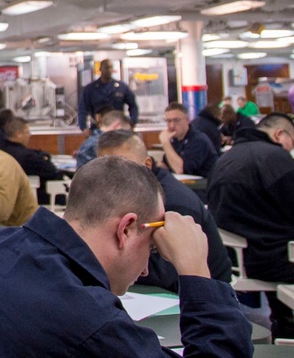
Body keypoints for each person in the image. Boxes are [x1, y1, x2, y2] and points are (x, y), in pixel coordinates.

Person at [0, 157, 253, 357]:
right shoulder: (91, 323)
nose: (144, 271)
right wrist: (196, 270)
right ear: (126, 229)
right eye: (151, 248)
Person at [96, 130, 231, 292]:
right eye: (107, 171)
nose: (114, 179)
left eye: (124, 169)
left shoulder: (174, 205)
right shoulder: (132, 193)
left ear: (147, 165)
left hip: (203, 295)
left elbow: (167, 272)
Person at [208, 112, 294, 339]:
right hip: (270, 258)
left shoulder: (227, 157)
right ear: (279, 134)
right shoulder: (276, 158)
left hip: (236, 257)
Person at [0, 116, 65, 205]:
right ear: (19, 134)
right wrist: (44, 157)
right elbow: (51, 170)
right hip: (39, 199)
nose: (29, 135)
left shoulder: (1, 151)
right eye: (27, 132)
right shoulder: (28, 157)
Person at [77, 59, 139, 134]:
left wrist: (132, 122)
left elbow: (133, 106)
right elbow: (83, 109)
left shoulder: (121, 87)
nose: (109, 70)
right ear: (100, 69)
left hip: (118, 128)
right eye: (106, 68)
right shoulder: (91, 89)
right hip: (97, 129)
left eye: (111, 67)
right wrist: (83, 127)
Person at [160, 102, 218, 179]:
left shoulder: (199, 140)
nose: (172, 125)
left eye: (176, 120)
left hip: (201, 186)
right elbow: (166, 165)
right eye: (168, 121)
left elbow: (180, 170)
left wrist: (166, 143)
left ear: (187, 120)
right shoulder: (174, 140)